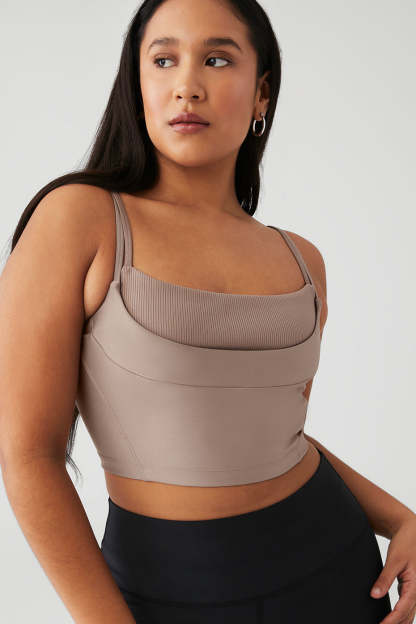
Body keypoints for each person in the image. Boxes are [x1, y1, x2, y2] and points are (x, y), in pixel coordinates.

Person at [1, 0, 414, 622]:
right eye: (163, 60)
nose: (187, 86)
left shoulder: (301, 259)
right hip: (165, 593)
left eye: (217, 60)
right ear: (137, 83)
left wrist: (403, 518)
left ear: (261, 93)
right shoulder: (80, 219)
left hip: (338, 569)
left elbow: (272, 437)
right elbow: (29, 455)